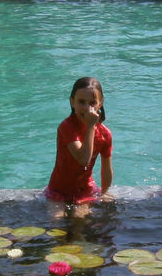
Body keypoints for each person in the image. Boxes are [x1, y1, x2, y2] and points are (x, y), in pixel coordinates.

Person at [44, 76, 113, 204]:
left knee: (82, 216)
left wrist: (104, 192)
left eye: (92, 103)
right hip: (58, 189)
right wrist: (91, 126)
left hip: (85, 189)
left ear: (100, 103)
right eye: (81, 102)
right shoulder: (66, 127)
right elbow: (83, 160)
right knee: (56, 216)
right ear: (72, 102)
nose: (87, 107)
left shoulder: (105, 134)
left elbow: (106, 170)